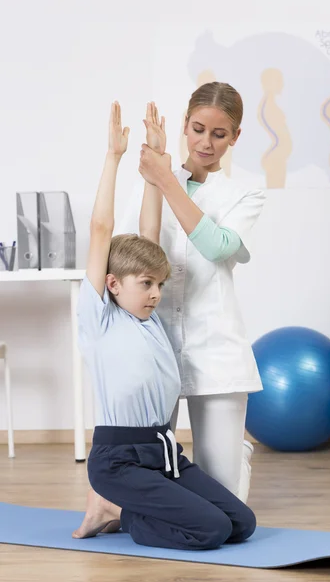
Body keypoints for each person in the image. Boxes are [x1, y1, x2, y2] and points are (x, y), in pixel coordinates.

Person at [72, 101, 256, 550]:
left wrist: (158, 170)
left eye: (158, 284)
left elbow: (150, 239)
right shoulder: (101, 318)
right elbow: (101, 229)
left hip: (164, 452)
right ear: (112, 283)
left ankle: (129, 507)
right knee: (210, 531)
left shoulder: (150, 318)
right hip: (119, 459)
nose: (155, 293)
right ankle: (119, 510)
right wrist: (114, 158)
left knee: (241, 523)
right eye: (145, 284)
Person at [121, 82, 266, 504]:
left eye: (219, 134)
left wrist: (167, 179)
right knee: (151, 473)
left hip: (215, 347)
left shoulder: (245, 194)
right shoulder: (148, 184)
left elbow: (218, 246)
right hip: (156, 341)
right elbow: (132, 249)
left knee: (223, 499)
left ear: (235, 137)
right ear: (185, 125)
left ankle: (233, 455)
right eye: (198, 129)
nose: (206, 142)